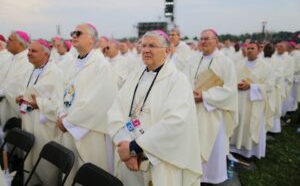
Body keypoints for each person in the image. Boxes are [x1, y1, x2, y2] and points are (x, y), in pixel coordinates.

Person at [108, 30, 202, 186]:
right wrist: (124, 144)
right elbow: (115, 110)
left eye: (152, 46)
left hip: (159, 161)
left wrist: (134, 147)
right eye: (143, 46)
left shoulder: (177, 81)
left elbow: (175, 122)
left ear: (166, 51)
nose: (146, 50)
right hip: (128, 155)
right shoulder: (135, 76)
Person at [56, 23, 116, 184]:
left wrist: (68, 121)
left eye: (78, 33)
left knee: (88, 173)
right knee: (71, 172)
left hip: (90, 131)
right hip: (70, 125)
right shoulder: (72, 63)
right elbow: (64, 93)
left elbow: (97, 102)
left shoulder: (101, 65)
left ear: (91, 39)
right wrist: (61, 113)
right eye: (72, 32)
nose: (73, 35)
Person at [184, 29, 238, 184]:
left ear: (216, 41)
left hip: (213, 111)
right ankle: (195, 175)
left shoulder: (225, 62)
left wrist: (205, 96)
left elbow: (229, 89)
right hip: (194, 108)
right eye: (201, 39)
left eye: (207, 38)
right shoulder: (193, 59)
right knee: (195, 142)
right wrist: (189, 92)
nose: (203, 42)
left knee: (213, 146)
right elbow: (184, 79)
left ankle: (213, 177)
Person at [16, 39, 64, 185]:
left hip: (45, 127)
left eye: (34, 51)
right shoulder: (31, 70)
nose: (29, 54)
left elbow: (59, 104)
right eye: (29, 50)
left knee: (44, 167)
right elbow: (29, 91)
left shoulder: (56, 73)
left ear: (46, 54)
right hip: (29, 121)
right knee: (29, 162)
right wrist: (21, 97)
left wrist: (39, 103)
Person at [230, 42, 274, 159]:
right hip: (239, 100)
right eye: (247, 48)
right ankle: (234, 149)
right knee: (239, 123)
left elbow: (269, 86)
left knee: (251, 125)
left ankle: (249, 152)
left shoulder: (266, 67)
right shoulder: (238, 64)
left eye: (252, 48)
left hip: (255, 102)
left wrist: (252, 86)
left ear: (259, 50)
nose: (249, 50)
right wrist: (237, 85)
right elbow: (231, 80)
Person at [0, 31, 33, 127]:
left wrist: (3, 91)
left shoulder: (27, 60)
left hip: (12, 109)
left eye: (10, 39)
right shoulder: (9, 58)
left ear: (20, 43)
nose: (7, 42)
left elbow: (18, 86)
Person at [269, 42, 294, 133]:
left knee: (279, 105)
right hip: (271, 84)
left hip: (282, 84)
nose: (278, 48)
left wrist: (280, 77)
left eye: (281, 46)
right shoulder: (273, 57)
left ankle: (278, 123)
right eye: (277, 46)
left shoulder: (289, 59)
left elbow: (289, 71)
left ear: (286, 48)